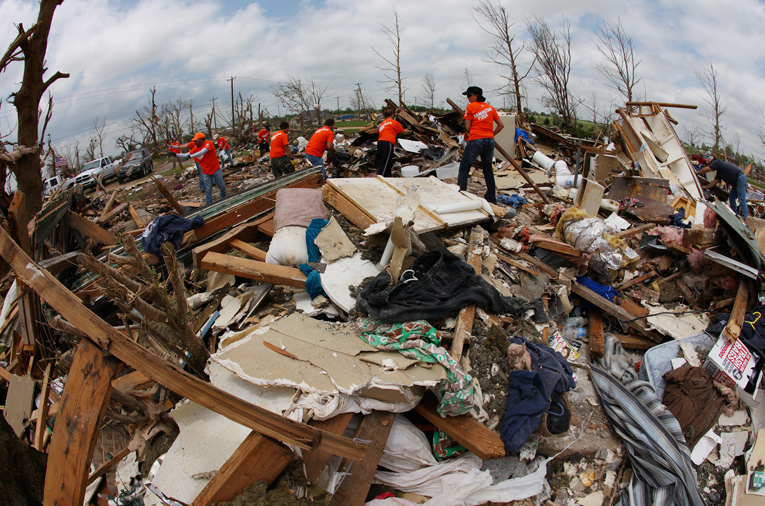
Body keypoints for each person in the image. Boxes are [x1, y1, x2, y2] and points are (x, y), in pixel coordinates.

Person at [457, 86, 504, 204]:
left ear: (475, 95)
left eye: (469, 95)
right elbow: (501, 125)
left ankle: (461, 197)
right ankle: (492, 199)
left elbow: (467, 127)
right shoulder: (490, 108)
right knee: (488, 170)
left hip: (476, 140)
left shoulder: (471, 107)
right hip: (489, 141)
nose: (467, 98)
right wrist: (491, 134)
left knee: (464, 169)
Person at [176, 132, 226, 205]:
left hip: (215, 169)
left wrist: (190, 156)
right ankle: (209, 204)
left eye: (196, 140)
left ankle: (223, 198)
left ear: (201, 140)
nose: (194, 142)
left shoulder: (208, 143)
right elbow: (185, 155)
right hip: (206, 171)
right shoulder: (196, 148)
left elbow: (203, 152)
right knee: (208, 189)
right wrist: (175, 154)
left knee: (221, 186)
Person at [376, 106, 406, 177]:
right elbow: (403, 132)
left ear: (384, 115)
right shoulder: (394, 122)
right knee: (385, 163)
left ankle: (388, 177)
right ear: (392, 115)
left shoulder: (382, 124)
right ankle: (380, 178)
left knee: (388, 162)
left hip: (380, 143)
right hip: (388, 142)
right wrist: (410, 131)